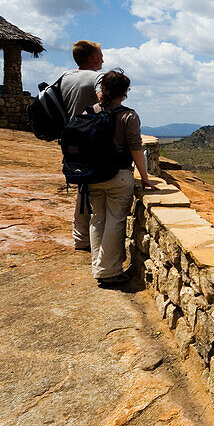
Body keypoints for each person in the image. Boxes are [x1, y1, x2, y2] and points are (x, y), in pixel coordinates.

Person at [86, 68, 155, 286]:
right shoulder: (128, 115)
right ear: (124, 92)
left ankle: (99, 266)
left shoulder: (90, 112)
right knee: (115, 220)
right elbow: (136, 148)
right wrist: (144, 177)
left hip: (91, 175)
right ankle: (109, 272)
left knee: (97, 218)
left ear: (103, 90)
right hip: (118, 175)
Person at [59, 40, 103, 251]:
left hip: (69, 139)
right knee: (92, 189)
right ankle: (86, 239)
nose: (103, 59)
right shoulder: (98, 77)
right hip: (91, 139)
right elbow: (104, 100)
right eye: (100, 55)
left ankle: (80, 236)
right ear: (93, 57)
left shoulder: (65, 77)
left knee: (82, 187)